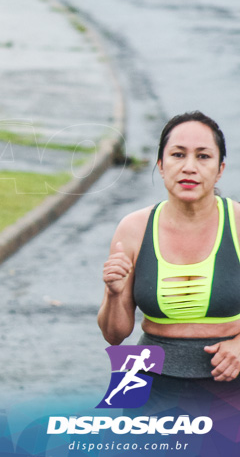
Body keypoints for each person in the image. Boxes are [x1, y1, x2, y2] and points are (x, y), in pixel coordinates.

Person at [98, 111, 240, 408]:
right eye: (178, 155)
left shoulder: (238, 224)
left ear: (220, 169)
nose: (189, 167)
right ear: (162, 166)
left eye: (203, 156)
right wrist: (114, 294)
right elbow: (114, 335)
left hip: (229, 380)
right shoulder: (133, 228)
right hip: (145, 379)